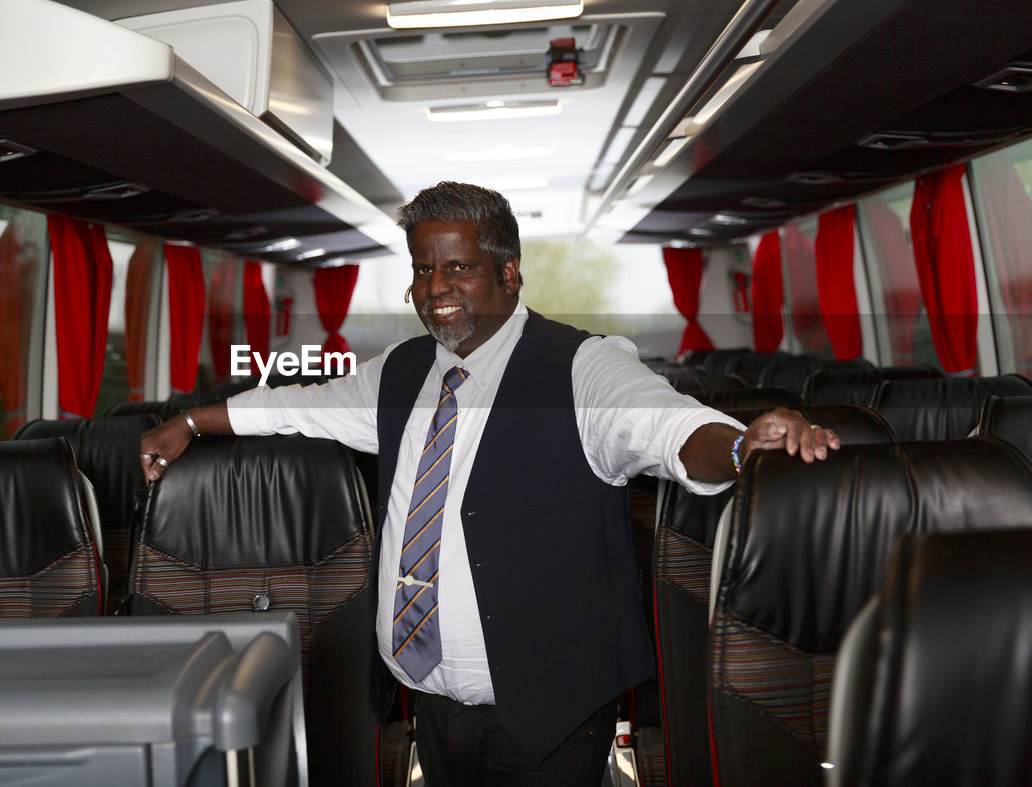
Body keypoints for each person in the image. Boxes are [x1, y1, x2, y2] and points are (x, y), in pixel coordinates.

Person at [139, 181, 838, 786]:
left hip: (550, 709)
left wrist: (744, 443)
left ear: (510, 274)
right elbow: (297, 406)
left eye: (459, 267)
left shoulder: (582, 367)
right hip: (428, 701)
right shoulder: (401, 370)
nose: (436, 288)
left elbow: (667, 427)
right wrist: (194, 422)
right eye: (423, 270)